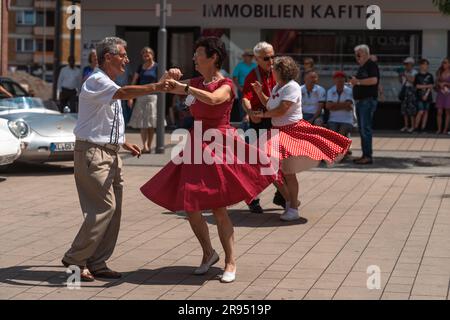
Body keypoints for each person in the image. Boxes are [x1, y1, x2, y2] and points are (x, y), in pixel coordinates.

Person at [140, 37, 278, 283]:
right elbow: (162, 87)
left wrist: (185, 88)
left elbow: (214, 100)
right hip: (196, 145)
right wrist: (167, 76)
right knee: (191, 206)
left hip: (219, 144)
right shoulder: (194, 82)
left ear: (213, 57)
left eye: (198, 53)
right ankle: (208, 253)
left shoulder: (225, 84)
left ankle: (230, 261)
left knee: (218, 207)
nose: (193, 57)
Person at [62, 37, 179, 282]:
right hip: (94, 154)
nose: (127, 59)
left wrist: (123, 142)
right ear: (108, 57)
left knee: (114, 212)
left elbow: (100, 120)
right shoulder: (97, 80)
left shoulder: (109, 83)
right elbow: (124, 94)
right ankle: (74, 259)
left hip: (110, 152)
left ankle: (97, 261)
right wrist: (158, 86)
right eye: (123, 55)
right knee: (104, 207)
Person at [252, 56, 351, 221]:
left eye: (273, 68)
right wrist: (259, 93)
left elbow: (282, 109)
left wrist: (262, 114)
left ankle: (293, 208)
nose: (271, 71)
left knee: (288, 173)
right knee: (270, 169)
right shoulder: (277, 86)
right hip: (277, 132)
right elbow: (271, 104)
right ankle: (291, 201)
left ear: (281, 71)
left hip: (291, 132)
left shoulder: (292, 87)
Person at [241, 41, 286, 213]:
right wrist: (250, 111)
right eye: (267, 58)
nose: (272, 60)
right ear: (257, 59)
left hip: (275, 120)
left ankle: (281, 195)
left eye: (273, 56)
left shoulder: (279, 73)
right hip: (259, 120)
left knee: (279, 160)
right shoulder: (253, 75)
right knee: (257, 162)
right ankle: (252, 198)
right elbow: (245, 97)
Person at [349, 44, 380, 165]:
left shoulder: (371, 65)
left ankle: (367, 156)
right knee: (362, 129)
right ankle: (365, 155)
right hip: (361, 101)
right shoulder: (362, 66)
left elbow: (374, 80)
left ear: (366, 54)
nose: (357, 56)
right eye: (356, 54)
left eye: (359, 54)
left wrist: (358, 82)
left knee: (365, 129)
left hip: (367, 101)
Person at [128, 47, 159, 153]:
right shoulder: (140, 67)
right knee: (143, 123)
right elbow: (134, 81)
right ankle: (145, 145)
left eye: (148, 52)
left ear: (152, 54)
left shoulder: (157, 67)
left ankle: (149, 146)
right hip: (141, 96)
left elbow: (163, 79)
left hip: (152, 97)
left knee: (150, 124)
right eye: (144, 53)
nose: (146, 54)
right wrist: (131, 96)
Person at [326, 71, 354, 154]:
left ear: (344, 80)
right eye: (337, 78)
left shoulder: (349, 90)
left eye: (341, 78)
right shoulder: (330, 91)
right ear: (334, 80)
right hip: (333, 119)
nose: (339, 79)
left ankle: (340, 152)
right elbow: (328, 106)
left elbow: (349, 105)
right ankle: (338, 151)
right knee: (332, 133)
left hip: (347, 120)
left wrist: (334, 106)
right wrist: (344, 105)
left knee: (341, 132)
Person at [232, 49, 256, 122]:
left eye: (249, 56)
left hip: (253, 89)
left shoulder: (255, 66)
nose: (247, 57)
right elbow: (234, 77)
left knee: (253, 105)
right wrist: (239, 87)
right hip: (242, 88)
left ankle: (252, 121)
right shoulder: (240, 65)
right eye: (246, 56)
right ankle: (242, 123)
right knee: (242, 106)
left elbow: (258, 77)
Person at [414, 59, 434, 133]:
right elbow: (416, 86)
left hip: (428, 96)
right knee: (420, 111)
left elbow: (431, 86)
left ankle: (423, 128)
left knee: (426, 112)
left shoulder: (430, 75)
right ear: (421, 65)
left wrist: (426, 94)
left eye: (427, 64)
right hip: (419, 96)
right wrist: (426, 86)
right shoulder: (417, 75)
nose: (426, 66)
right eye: (424, 64)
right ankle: (416, 127)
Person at [399, 57, 418, 133]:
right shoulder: (404, 71)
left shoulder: (415, 72)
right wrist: (400, 76)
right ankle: (406, 126)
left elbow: (413, 81)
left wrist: (405, 75)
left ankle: (412, 126)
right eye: (405, 64)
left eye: (407, 64)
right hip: (405, 90)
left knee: (411, 110)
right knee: (404, 110)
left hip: (411, 91)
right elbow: (401, 82)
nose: (406, 66)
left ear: (411, 64)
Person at [435, 57, 450, 134]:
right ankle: (439, 129)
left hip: (448, 94)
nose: (443, 64)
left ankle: (445, 130)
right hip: (440, 93)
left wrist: (446, 83)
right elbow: (436, 82)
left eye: (445, 62)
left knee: (447, 112)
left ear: (449, 64)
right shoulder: (440, 72)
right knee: (439, 112)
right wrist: (439, 84)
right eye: (443, 62)